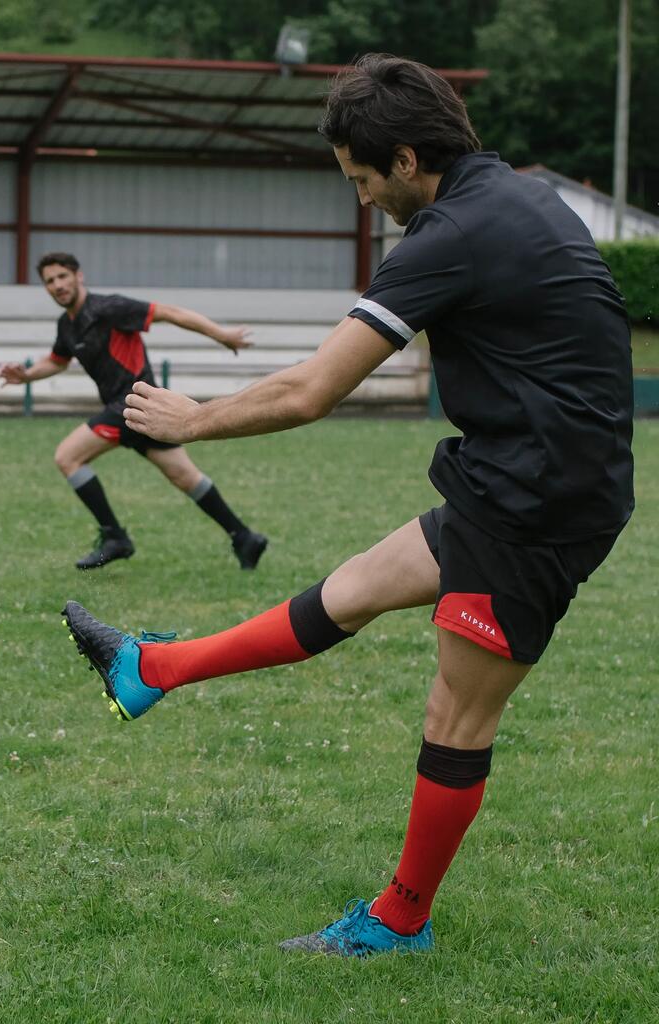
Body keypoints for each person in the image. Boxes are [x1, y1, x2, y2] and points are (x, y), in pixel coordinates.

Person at [62, 54, 634, 957]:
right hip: (522, 475)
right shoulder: (513, 199)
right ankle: (150, 670)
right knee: (354, 590)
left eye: (362, 179)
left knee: (457, 716)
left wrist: (195, 419)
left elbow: (311, 391)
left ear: (407, 160)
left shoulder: (451, 233)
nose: (362, 197)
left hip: (539, 504)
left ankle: (401, 920)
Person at [0, 252, 268, 570]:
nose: (57, 285)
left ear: (78, 276)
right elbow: (57, 361)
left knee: (67, 457)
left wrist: (221, 335)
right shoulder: (67, 325)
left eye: (62, 277)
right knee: (184, 476)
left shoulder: (109, 308)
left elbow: (169, 313)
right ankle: (244, 537)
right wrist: (27, 375)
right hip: (138, 413)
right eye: (50, 281)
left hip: (131, 401)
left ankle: (115, 537)